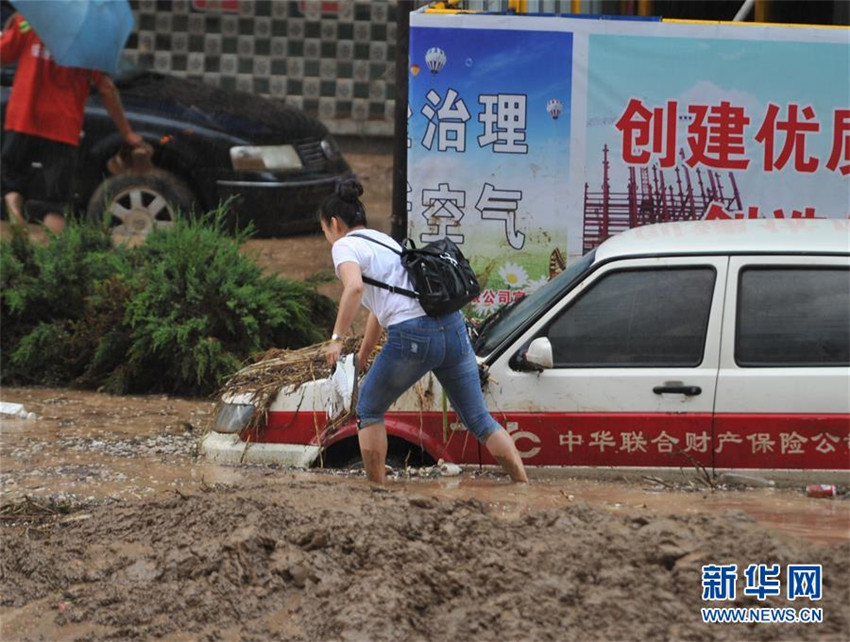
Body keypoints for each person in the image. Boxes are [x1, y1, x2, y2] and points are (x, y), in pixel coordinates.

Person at [321, 179, 529, 484]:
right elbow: (379, 310)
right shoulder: (386, 242)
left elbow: (354, 288)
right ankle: (522, 485)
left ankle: (376, 491)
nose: (327, 236)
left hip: (413, 336)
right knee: (479, 419)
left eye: (324, 230)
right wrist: (363, 356)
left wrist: (336, 340)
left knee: (368, 409)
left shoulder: (344, 246)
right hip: (452, 328)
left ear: (334, 224)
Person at [1, 13, 143, 234]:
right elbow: (106, 88)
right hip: (62, 126)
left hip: (23, 119)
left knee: (11, 180)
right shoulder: (88, 35)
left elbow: (3, 55)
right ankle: (53, 252)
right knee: (56, 203)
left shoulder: (29, 20)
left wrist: (11, 29)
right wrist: (126, 132)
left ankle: (14, 210)